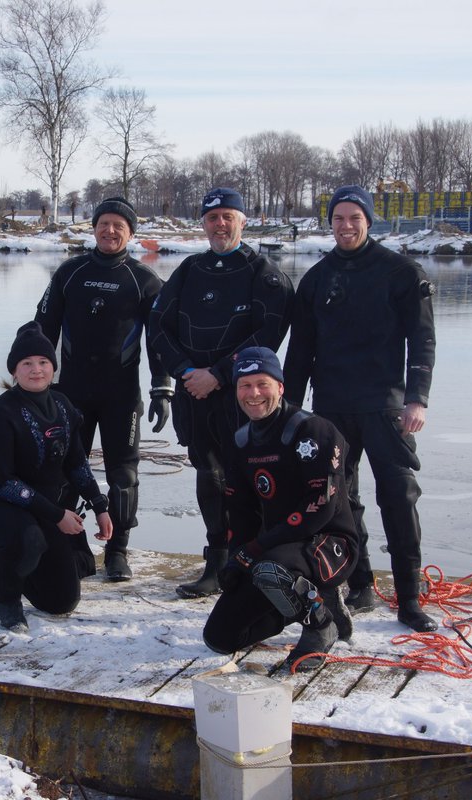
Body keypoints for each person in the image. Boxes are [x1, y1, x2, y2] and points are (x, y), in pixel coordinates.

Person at [282, 185, 438, 632]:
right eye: (338, 219)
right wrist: (291, 411)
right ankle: (360, 581)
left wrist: (417, 399)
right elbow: (300, 352)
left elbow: (422, 340)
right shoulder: (316, 278)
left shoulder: (400, 272)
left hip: (386, 406)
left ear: (369, 221)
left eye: (354, 218)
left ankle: (409, 598)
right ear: (329, 223)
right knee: (338, 502)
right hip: (331, 407)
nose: (346, 226)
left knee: (398, 496)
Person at [147, 187, 295, 599]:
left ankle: (257, 561)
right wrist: (184, 372)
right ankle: (216, 562)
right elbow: (157, 325)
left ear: (242, 221)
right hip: (194, 393)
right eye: (212, 218)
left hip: (243, 395)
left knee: (252, 476)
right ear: (204, 223)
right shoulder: (190, 270)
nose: (220, 224)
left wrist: (217, 373)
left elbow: (268, 334)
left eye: (228, 216)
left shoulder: (263, 273)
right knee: (209, 476)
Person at [34, 196, 172, 582]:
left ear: (130, 233)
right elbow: (42, 329)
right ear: (93, 228)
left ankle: (117, 551)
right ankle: (70, 546)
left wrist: (162, 389)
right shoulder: (69, 273)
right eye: (104, 224)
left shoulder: (143, 279)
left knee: (123, 476)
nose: (110, 231)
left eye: (119, 226)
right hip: (71, 393)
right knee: (63, 472)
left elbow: (159, 340)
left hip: (121, 396)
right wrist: (34, 384)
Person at [202, 348, 356, 670]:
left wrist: (256, 548)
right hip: (276, 550)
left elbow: (319, 510)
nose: (253, 394)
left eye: (262, 384)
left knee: (270, 568)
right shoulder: (241, 442)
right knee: (219, 637)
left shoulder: (315, 432)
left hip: (329, 545)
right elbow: (241, 513)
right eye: (245, 385)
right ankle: (300, 602)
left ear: (281, 387)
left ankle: (321, 625)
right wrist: (236, 557)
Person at [0, 322, 113, 632]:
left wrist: (99, 504)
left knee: (61, 602)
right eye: (26, 363)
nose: (36, 370)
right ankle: (7, 602)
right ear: (14, 371)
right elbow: (4, 483)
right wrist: (57, 515)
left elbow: (77, 464)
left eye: (43, 362)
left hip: (38, 508)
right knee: (27, 537)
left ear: (53, 368)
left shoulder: (63, 406)